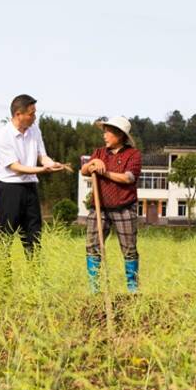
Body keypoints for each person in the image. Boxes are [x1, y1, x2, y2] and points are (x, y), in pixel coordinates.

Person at [0, 94, 64, 261]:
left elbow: (42, 155)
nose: (34, 117)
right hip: (10, 188)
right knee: (6, 235)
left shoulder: (35, 130)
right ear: (19, 114)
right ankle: (3, 278)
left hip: (31, 188)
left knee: (34, 234)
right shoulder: (2, 135)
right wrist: (42, 170)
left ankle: (35, 277)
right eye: (31, 113)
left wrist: (51, 164)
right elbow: (15, 167)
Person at [80, 116, 142, 293]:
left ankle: (132, 287)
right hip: (99, 208)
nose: (104, 135)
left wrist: (104, 172)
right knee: (93, 247)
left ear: (120, 135)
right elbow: (84, 171)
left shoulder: (133, 154)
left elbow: (128, 178)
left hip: (124, 208)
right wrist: (93, 163)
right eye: (104, 131)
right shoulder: (99, 152)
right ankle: (94, 287)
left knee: (129, 249)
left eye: (108, 132)